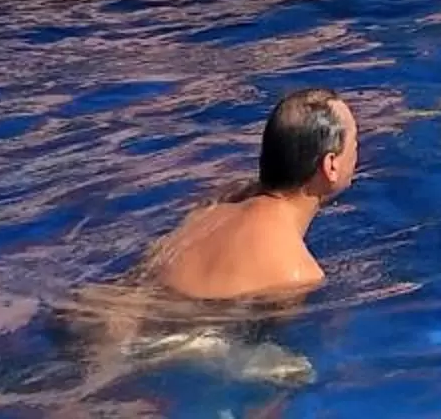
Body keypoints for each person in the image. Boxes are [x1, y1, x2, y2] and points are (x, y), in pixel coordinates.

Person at [143, 90, 358, 302]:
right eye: (355, 145)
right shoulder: (296, 273)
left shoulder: (210, 213)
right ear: (331, 166)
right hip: (182, 334)